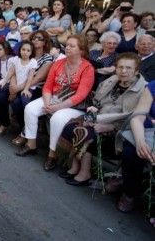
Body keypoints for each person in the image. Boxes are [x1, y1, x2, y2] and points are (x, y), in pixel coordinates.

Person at [59, 53, 146, 186]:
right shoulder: (112, 80)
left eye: (128, 68)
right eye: (120, 67)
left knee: (87, 133)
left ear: (137, 70)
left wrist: (111, 126)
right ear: (115, 68)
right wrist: (92, 114)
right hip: (97, 118)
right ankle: (75, 165)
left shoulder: (143, 89)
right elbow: (96, 101)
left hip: (119, 130)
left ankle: (84, 173)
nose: (123, 71)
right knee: (72, 127)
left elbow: (133, 116)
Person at [16, 35, 95, 171]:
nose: (67, 48)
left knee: (57, 118)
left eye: (72, 46)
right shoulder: (58, 63)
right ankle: (31, 145)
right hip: (54, 98)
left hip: (74, 104)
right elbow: (47, 86)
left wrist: (56, 107)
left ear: (81, 50)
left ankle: (52, 155)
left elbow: (81, 95)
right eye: (67, 45)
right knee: (30, 108)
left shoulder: (87, 68)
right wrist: (47, 103)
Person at [117, 81, 155, 227]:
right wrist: (140, 142)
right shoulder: (153, 86)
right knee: (132, 151)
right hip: (146, 133)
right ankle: (129, 193)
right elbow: (138, 116)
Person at [10, 31, 54, 145]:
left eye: (39, 38)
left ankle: (24, 134)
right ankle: (22, 129)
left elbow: (38, 78)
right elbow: (15, 69)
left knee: (22, 101)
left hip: (37, 89)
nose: (36, 40)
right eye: (34, 38)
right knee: (14, 102)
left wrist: (18, 88)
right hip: (22, 86)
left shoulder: (47, 57)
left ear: (45, 42)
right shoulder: (27, 52)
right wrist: (13, 86)